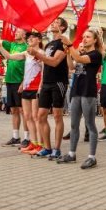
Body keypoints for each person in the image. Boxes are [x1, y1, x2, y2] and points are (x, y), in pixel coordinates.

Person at [61, 28, 104, 168]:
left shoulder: (96, 54)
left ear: (95, 40)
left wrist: (69, 45)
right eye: (84, 36)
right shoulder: (81, 52)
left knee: (90, 125)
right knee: (73, 125)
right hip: (76, 91)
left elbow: (79, 59)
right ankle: (72, 154)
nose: (84, 39)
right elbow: (72, 66)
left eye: (88, 37)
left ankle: (92, 157)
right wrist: (68, 54)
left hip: (88, 92)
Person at [28, 17, 70, 159]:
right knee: (41, 116)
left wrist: (38, 54)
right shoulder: (49, 44)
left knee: (57, 115)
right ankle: (47, 147)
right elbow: (45, 64)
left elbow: (54, 62)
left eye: (57, 22)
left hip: (59, 82)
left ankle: (56, 149)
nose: (53, 23)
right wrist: (40, 83)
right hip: (46, 83)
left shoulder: (64, 43)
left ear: (63, 27)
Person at [2, 29, 29, 146]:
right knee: (13, 110)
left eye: (18, 32)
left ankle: (27, 137)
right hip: (9, 81)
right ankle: (15, 136)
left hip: (20, 81)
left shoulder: (27, 47)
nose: (15, 33)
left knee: (23, 111)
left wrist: (24, 81)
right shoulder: (11, 44)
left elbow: (30, 67)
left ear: (24, 34)